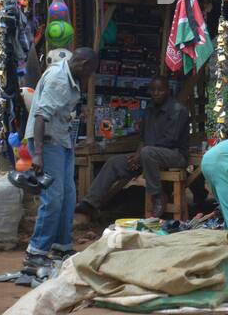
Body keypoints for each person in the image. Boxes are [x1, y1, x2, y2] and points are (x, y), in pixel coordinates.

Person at [23, 47, 99, 274]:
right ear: (83, 65)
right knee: (53, 198)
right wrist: (37, 153)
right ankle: (35, 253)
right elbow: (40, 117)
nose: (89, 78)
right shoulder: (59, 79)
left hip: (61, 140)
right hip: (47, 142)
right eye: (90, 73)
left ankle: (61, 247)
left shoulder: (67, 76)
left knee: (68, 195)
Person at [75, 76, 189, 220]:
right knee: (114, 163)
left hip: (174, 155)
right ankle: (90, 203)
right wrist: (137, 154)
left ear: (168, 91)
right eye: (153, 90)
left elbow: (169, 140)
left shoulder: (178, 110)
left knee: (148, 152)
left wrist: (141, 153)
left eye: (160, 90)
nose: (156, 93)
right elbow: (142, 138)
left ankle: (157, 196)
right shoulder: (150, 109)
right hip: (148, 155)